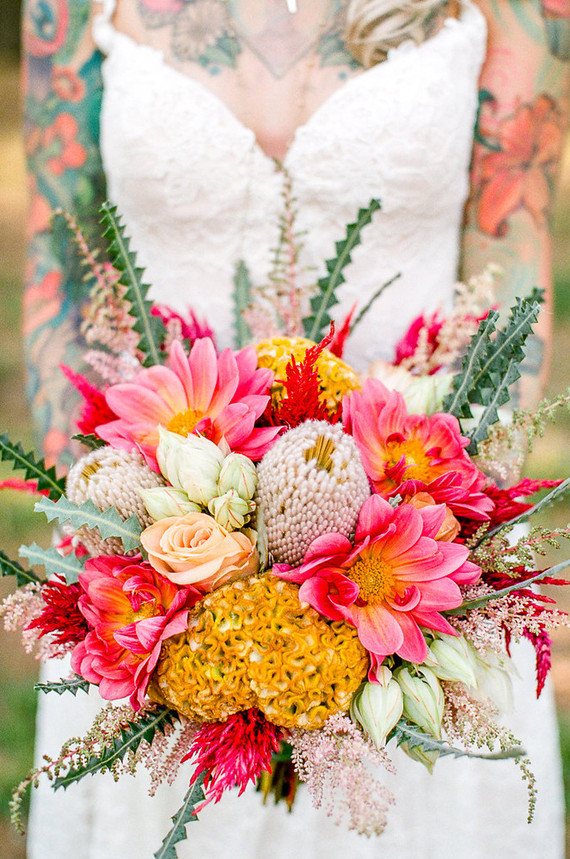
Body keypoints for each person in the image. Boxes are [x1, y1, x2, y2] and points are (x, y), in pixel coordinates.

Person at [21, 1, 569, 856]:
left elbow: (509, 296)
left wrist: (442, 554)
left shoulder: (520, 9)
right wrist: (110, 546)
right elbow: (57, 267)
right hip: (147, 577)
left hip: (418, 583)